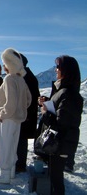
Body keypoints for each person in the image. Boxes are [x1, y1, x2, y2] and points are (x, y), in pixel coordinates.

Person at [38, 55, 83, 195]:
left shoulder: (67, 93)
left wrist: (45, 111)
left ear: (66, 70)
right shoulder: (65, 90)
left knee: (56, 180)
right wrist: (48, 102)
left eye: (58, 67)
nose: (56, 70)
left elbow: (61, 122)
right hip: (60, 142)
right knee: (54, 177)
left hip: (61, 142)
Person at [0, 48, 31, 184]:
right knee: (13, 146)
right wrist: (20, 110)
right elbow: (28, 99)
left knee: (4, 145)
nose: (3, 66)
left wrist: (3, 113)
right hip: (18, 119)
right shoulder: (21, 79)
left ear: (9, 64)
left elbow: (11, 101)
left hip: (8, 118)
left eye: (5, 63)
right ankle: (11, 172)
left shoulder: (9, 79)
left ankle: (4, 175)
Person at [16, 54, 40, 173]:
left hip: (25, 115)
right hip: (25, 115)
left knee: (21, 138)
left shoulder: (25, 77)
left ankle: (20, 165)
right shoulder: (27, 75)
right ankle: (19, 163)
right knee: (21, 138)